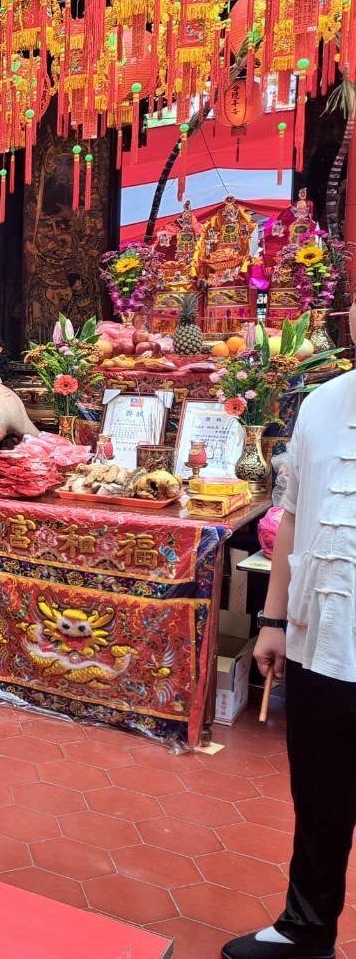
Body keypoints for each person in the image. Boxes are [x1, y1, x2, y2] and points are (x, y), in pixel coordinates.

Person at [222, 364, 356, 959]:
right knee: (320, 792)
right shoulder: (325, 402)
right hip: (321, 640)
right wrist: (272, 622)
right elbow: (293, 518)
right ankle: (307, 928)